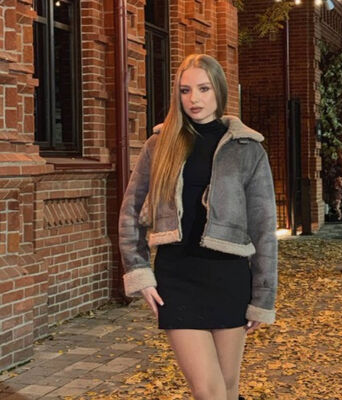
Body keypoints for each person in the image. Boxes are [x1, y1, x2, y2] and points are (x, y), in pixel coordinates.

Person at [119, 53, 278, 400]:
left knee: (228, 387)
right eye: (185, 90)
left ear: (219, 90)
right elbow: (130, 212)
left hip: (230, 277)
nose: (194, 99)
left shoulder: (248, 150)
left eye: (203, 89)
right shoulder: (159, 145)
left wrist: (263, 296)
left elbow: (264, 229)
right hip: (177, 278)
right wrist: (139, 272)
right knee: (209, 390)